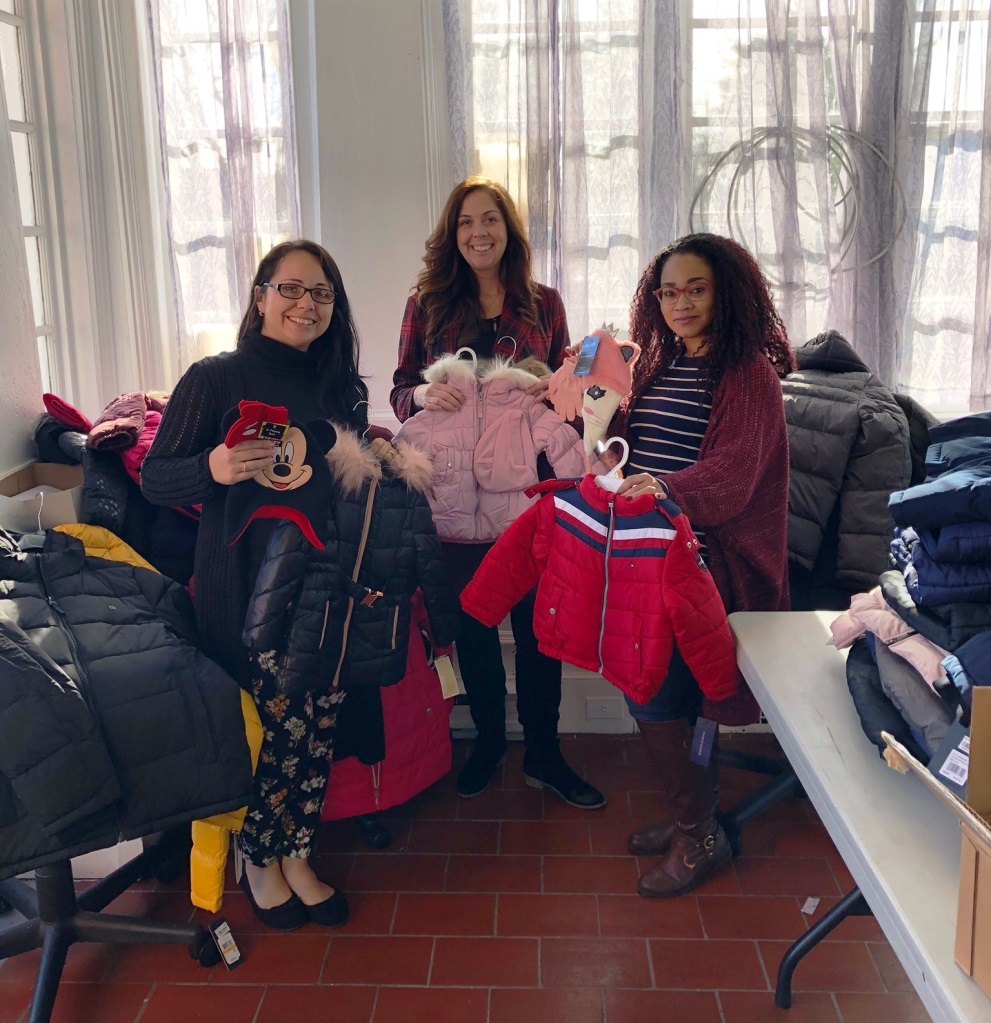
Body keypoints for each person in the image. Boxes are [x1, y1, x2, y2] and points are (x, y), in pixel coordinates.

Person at [142, 240, 368, 930]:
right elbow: (156, 478)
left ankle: (298, 851)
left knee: (315, 731)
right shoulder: (214, 378)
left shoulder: (340, 388)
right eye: (291, 288)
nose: (306, 304)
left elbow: (348, 487)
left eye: (321, 293)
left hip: (325, 587)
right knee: (269, 735)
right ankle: (259, 859)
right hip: (243, 591)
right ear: (261, 294)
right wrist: (211, 464)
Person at [390, 176, 605, 808]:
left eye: (490, 220)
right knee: (473, 626)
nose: (478, 232)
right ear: (450, 236)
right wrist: (426, 394)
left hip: (528, 498)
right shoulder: (425, 304)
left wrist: (557, 392)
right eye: (465, 223)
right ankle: (487, 740)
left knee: (539, 627)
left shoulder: (544, 302)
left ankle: (544, 750)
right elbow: (401, 392)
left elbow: (573, 394)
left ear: (508, 230)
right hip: (452, 503)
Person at [612, 233, 795, 897]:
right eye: (667, 291)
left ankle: (699, 837)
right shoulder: (660, 364)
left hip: (704, 565)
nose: (679, 302)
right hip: (650, 555)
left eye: (695, 287)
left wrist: (662, 487)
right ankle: (695, 814)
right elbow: (634, 447)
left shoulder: (746, 371)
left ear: (725, 291)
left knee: (660, 692)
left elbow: (733, 474)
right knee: (656, 690)